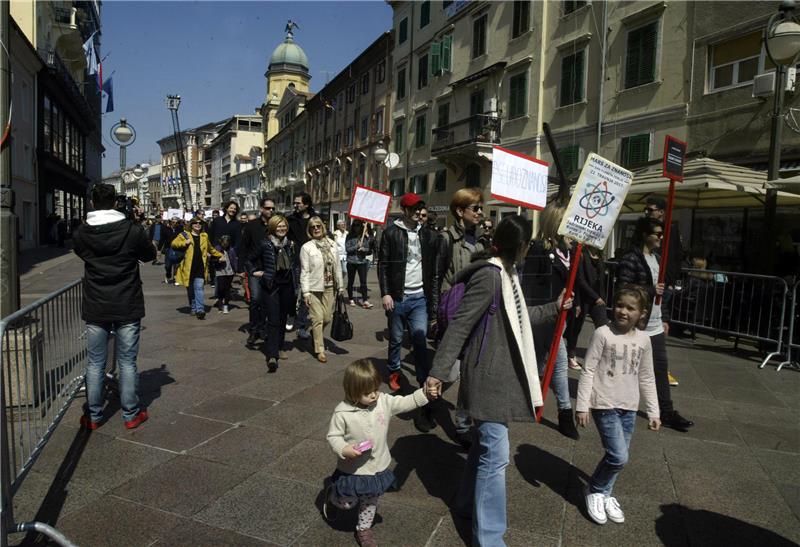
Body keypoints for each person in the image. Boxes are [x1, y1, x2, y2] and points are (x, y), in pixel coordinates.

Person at [425, 215, 571, 545]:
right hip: (488, 376)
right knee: (497, 454)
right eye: (528, 244)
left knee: (484, 447)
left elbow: (521, 316)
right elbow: (461, 326)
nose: (529, 249)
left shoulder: (508, 273)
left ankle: (465, 504)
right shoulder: (491, 276)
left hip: (501, 375)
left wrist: (555, 307)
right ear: (519, 246)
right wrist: (437, 372)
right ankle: (489, 538)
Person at [324, 359, 435, 547]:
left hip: (376, 466)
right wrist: (344, 448)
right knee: (347, 503)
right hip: (353, 468)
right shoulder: (342, 412)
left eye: (376, 389)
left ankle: (363, 529)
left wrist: (424, 394)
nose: (374, 395)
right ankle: (333, 496)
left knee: (370, 499)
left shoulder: (383, 401)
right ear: (352, 391)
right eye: (367, 393)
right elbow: (333, 436)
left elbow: (405, 402)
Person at [72, 183, 155, 430]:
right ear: (117, 203)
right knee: (127, 362)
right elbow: (149, 255)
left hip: (97, 302)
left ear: (92, 203)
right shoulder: (132, 230)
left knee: (95, 362)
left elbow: (82, 253)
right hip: (127, 300)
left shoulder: (82, 232)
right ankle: (131, 414)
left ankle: (94, 415)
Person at [576, 286, 661, 525]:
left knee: (618, 455)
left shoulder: (644, 340)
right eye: (620, 305)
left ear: (642, 313)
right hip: (605, 403)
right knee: (618, 456)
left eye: (630, 308)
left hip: (629, 406)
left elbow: (646, 376)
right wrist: (582, 405)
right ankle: (594, 489)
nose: (623, 311)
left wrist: (653, 410)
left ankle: (604, 494)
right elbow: (588, 369)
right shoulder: (603, 333)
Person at [616, 217, 694, 432]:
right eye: (657, 234)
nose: (660, 237)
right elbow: (624, 290)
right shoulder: (631, 259)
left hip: (655, 322)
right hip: (637, 324)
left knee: (660, 368)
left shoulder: (657, 258)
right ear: (644, 235)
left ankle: (666, 411)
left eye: (662, 234)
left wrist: (665, 317)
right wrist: (650, 290)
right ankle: (617, 404)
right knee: (627, 366)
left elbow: (662, 292)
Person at [378, 193, 439, 432]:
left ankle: (424, 382)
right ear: (404, 209)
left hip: (419, 297)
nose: (417, 212)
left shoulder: (427, 233)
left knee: (419, 337)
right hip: (397, 296)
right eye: (413, 208)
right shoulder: (392, 232)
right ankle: (394, 370)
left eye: (420, 208)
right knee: (395, 338)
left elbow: (432, 266)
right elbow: (383, 264)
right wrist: (385, 293)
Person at [521, 205, 581, 440]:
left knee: (547, 364)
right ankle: (565, 413)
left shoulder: (568, 248)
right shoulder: (538, 248)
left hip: (560, 318)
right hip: (543, 317)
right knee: (555, 362)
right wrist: (543, 312)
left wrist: (572, 301)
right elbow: (531, 287)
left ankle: (535, 402)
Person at [433, 188, 486, 447]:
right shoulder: (445, 239)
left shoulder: (481, 241)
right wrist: (434, 315)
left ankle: (463, 425)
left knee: (468, 372)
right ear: (459, 210)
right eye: (475, 208)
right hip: (452, 311)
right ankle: (427, 402)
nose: (480, 212)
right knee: (450, 371)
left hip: (476, 312)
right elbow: (434, 277)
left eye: (481, 208)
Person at [247, 215, 297, 372]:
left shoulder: (290, 244)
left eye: (284, 226)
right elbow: (249, 260)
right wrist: (255, 272)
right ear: (273, 227)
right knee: (273, 319)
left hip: (287, 286)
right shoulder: (265, 244)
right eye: (279, 226)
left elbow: (294, 264)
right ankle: (272, 355)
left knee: (283, 318)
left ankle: (280, 346)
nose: (282, 229)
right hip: (271, 286)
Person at [643, 197, 684, 387]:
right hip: (649, 281)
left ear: (661, 212)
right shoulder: (646, 228)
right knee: (646, 324)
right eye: (646, 210)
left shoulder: (670, 230)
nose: (647, 213)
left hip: (663, 282)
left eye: (651, 210)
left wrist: (669, 281)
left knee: (659, 325)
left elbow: (676, 255)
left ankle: (660, 367)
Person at [300, 216, 343, 362]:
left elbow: (337, 266)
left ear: (323, 227)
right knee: (317, 318)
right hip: (314, 287)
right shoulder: (307, 247)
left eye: (318, 226)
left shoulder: (332, 244)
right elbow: (304, 271)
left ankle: (314, 332)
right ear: (309, 230)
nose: (316, 229)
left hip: (330, 287)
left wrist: (341, 286)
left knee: (327, 318)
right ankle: (320, 349)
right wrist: (305, 292)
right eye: (313, 227)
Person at [240, 197, 277, 348]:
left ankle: (264, 328)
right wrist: (244, 268)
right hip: (255, 268)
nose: (271, 211)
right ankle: (254, 329)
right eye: (268, 208)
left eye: (273, 208)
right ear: (261, 208)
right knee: (255, 299)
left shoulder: (276, 224)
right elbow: (243, 247)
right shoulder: (252, 226)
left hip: (271, 269)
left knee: (267, 301)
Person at [566, 245, 610, 370]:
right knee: (576, 328)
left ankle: (601, 358)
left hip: (598, 299)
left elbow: (601, 279)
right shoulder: (581, 254)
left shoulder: (600, 256)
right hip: (584, 297)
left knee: (603, 328)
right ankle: (571, 355)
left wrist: (602, 297)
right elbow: (580, 280)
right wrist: (594, 297)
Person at [172, 216, 223, 320]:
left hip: (200, 266)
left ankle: (200, 310)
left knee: (199, 288)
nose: (198, 225)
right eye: (195, 223)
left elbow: (211, 249)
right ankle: (193, 307)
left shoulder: (204, 236)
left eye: (200, 223)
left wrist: (220, 255)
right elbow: (173, 244)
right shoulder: (184, 235)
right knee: (190, 289)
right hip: (188, 267)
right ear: (191, 225)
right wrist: (183, 243)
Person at [289, 192, 316, 340]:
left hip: (312, 262)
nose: (295, 205)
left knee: (307, 294)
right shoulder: (291, 219)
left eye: (298, 203)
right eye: (295, 203)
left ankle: (300, 324)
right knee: (293, 291)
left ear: (306, 204)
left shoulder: (315, 220)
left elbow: (324, 235)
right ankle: (291, 315)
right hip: (296, 260)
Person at [345, 219, 375, 309]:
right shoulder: (349, 236)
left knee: (363, 282)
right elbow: (347, 249)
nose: (356, 228)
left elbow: (368, 249)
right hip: (351, 262)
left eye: (358, 226)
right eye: (355, 225)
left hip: (361, 262)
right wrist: (356, 247)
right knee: (351, 281)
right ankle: (350, 298)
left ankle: (365, 300)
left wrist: (364, 249)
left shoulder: (364, 237)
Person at [213, 235, 238, 314]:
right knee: (221, 289)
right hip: (220, 271)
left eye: (227, 243)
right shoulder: (217, 249)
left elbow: (234, 261)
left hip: (229, 272)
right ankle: (220, 305)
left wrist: (236, 270)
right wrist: (218, 260)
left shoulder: (231, 250)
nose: (225, 245)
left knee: (227, 289)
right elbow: (212, 260)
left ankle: (226, 305)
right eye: (224, 243)